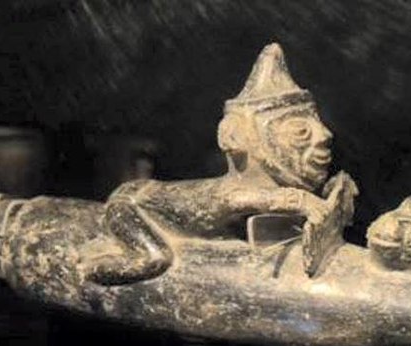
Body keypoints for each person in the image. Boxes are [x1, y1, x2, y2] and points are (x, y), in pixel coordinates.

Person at [81, 43, 358, 285]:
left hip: (148, 194)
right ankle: (88, 270)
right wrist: (304, 201)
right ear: (235, 137)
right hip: (131, 206)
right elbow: (250, 200)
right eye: (301, 130)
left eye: (317, 125)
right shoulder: (230, 194)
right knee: (154, 259)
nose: (325, 135)